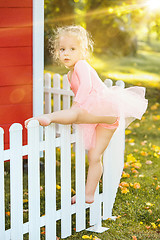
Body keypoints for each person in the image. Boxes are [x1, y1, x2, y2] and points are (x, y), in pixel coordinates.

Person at [25, 25, 148, 204]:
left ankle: (49, 117)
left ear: (82, 51)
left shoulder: (81, 65)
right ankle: (89, 194)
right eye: (62, 49)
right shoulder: (69, 74)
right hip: (108, 118)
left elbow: (86, 87)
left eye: (72, 49)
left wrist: (77, 105)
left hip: (105, 108)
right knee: (94, 155)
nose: (66, 53)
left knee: (76, 115)